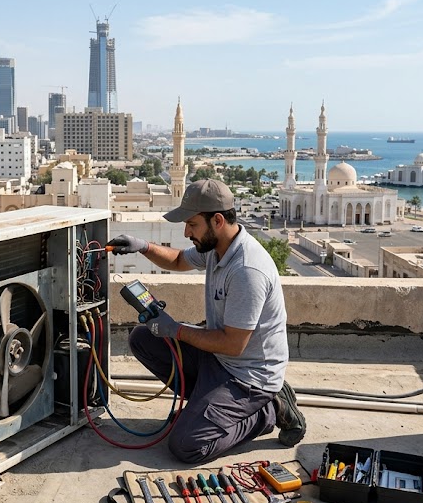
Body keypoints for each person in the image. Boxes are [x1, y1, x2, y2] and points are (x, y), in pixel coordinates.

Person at [106, 179, 305, 464]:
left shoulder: (247, 270)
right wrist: (142, 246)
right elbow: (178, 260)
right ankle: (205, 410)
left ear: (218, 221)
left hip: (248, 377)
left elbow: (233, 345)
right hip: (219, 359)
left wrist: (176, 330)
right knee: (143, 338)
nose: (186, 232)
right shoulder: (216, 248)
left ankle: (269, 409)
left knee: (187, 446)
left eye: (192, 224)